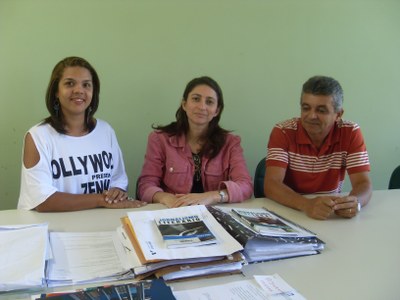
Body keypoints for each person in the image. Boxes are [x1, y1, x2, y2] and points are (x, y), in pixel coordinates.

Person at [18, 56, 146, 212]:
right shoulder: (38, 136)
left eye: (86, 85)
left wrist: (117, 192)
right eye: (69, 83)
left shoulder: (106, 131)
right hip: (50, 229)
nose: (79, 90)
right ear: (56, 91)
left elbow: (118, 181)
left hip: (98, 224)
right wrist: (101, 199)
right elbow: (43, 201)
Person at [264, 75, 372, 220]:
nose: (311, 116)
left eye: (321, 110)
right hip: (290, 210)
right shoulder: (283, 131)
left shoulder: (350, 132)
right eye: (306, 108)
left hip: (329, 212)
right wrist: (306, 205)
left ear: (338, 114)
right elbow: (271, 184)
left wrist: (355, 202)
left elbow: (363, 183)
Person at [137, 76, 253, 208]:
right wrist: (167, 198)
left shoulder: (231, 143)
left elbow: (245, 185)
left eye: (209, 102)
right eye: (196, 99)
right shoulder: (159, 139)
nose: (202, 106)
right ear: (184, 104)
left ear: (217, 110)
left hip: (215, 213)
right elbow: (145, 185)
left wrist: (212, 196)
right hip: (173, 212)